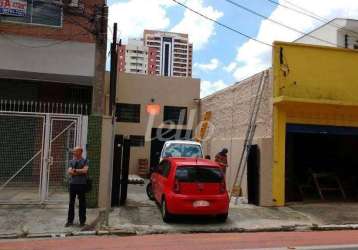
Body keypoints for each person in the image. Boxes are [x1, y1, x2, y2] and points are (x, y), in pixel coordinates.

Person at [66, 146, 89, 227]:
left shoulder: (85, 161)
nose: (74, 152)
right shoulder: (71, 161)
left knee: (82, 203)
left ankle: (82, 221)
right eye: (74, 151)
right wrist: (80, 172)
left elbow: (85, 170)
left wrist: (75, 170)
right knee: (71, 203)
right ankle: (69, 221)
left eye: (75, 151)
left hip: (82, 184)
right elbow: (69, 171)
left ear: (80, 152)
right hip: (73, 184)